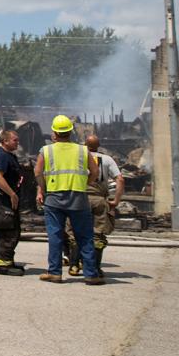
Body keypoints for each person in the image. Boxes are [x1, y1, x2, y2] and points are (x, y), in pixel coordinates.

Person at [35, 115, 102, 285]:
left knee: (56, 235)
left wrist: (43, 188)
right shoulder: (83, 150)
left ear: (54, 133)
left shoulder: (46, 150)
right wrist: (84, 183)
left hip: (54, 198)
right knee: (85, 236)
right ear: (71, 132)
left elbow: (37, 172)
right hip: (78, 197)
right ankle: (91, 274)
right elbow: (94, 172)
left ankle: (55, 273)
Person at [65, 135, 124, 279]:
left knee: (75, 232)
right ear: (98, 145)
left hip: (79, 198)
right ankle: (94, 267)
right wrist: (116, 200)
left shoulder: (77, 157)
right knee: (98, 234)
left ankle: (73, 265)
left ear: (85, 144)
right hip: (99, 200)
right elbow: (120, 179)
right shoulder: (107, 159)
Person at [0, 129, 25, 276]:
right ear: (5, 141)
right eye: (14, 140)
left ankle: (7, 261)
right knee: (7, 232)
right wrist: (11, 194)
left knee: (13, 232)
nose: (17, 142)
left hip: (10, 202)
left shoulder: (8, 156)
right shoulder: (2, 156)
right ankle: (3, 266)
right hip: (5, 203)